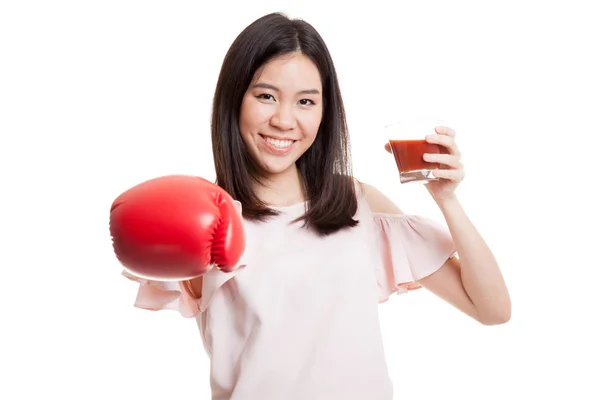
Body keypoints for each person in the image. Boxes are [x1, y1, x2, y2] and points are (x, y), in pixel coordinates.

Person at [113, 12, 511, 400]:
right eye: (266, 96)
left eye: (306, 101)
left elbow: (492, 309)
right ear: (234, 99)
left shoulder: (354, 201)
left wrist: (446, 199)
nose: (285, 120)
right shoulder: (205, 215)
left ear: (324, 112)